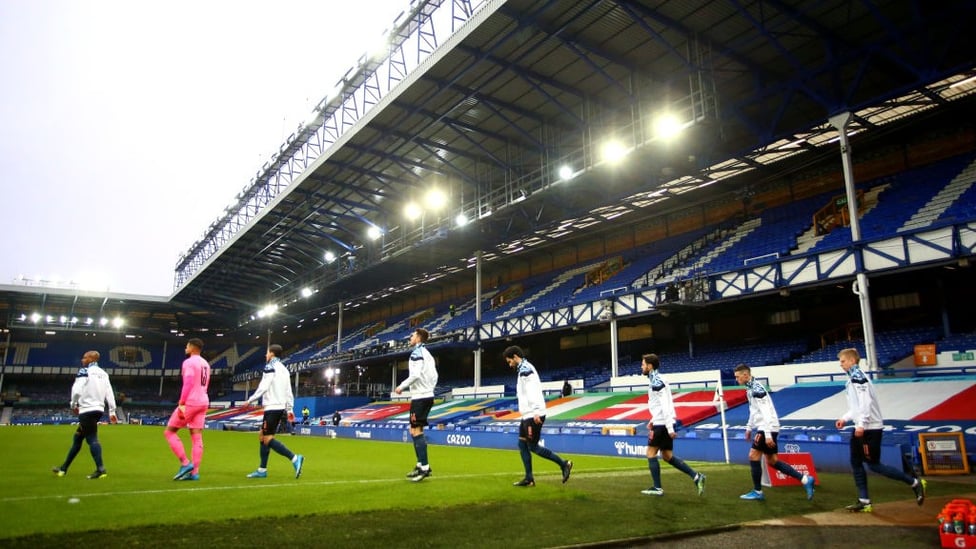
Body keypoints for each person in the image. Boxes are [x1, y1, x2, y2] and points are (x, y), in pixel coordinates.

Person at [835, 347, 926, 512]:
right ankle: (864, 500)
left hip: (870, 429)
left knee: (874, 465)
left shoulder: (858, 378)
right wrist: (844, 418)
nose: (840, 365)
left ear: (852, 361)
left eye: (842, 361)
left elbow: (866, 404)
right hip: (861, 427)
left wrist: (861, 425)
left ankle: (914, 482)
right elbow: (856, 406)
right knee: (855, 462)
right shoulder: (852, 379)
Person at [734, 364, 816, 501]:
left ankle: (758, 492)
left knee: (753, 455)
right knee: (772, 460)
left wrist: (767, 434)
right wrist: (748, 428)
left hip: (767, 427)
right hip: (768, 427)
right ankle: (805, 479)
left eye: (737, 377)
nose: (736, 380)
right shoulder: (750, 389)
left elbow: (766, 412)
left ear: (745, 375)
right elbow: (754, 411)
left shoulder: (757, 388)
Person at [503, 345, 573, 487]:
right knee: (522, 444)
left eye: (510, 361)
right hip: (527, 415)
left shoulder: (525, 370)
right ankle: (529, 478)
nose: (510, 365)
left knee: (533, 447)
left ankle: (564, 464)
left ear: (515, 357)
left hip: (533, 414)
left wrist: (536, 411)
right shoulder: (523, 369)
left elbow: (532, 390)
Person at [639, 353, 705, 496]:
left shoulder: (656, 380)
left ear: (650, 366)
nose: (641, 367)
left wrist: (668, 427)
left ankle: (657, 488)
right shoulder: (657, 379)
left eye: (643, 364)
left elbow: (665, 404)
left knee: (650, 453)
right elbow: (662, 404)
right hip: (661, 422)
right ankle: (696, 476)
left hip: (662, 424)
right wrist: (652, 420)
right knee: (667, 456)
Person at [52, 350, 118, 479]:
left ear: (92, 359)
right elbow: (109, 392)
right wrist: (112, 411)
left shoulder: (84, 371)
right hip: (98, 410)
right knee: (77, 439)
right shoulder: (104, 374)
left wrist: (73, 404)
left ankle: (101, 469)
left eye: (85, 357)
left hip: (86, 410)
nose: (82, 360)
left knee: (92, 439)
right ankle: (63, 468)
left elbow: (76, 390)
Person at [243, 344, 305, 479]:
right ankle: (262, 470)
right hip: (280, 407)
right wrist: (290, 408)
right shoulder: (284, 369)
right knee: (262, 436)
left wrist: (251, 399)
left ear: (271, 354)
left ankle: (295, 458)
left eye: (267, 353)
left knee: (267, 438)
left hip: (272, 407)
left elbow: (264, 386)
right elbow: (289, 391)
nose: (266, 355)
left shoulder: (270, 366)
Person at [395, 328, 439, 482]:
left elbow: (415, 375)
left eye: (412, 335)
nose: (410, 337)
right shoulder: (428, 354)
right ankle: (420, 464)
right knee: (414, 429)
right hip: (427, 395)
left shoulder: (417, 353)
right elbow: (435, 376)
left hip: (420, 397)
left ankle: (425, 467)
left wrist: (401, 386)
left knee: (416, 430)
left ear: (419, 337)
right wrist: (429, 389)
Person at [166, 338, 211, 481]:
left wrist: (182, 402)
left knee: (170, 432)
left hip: (191, 401)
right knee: (196, 436)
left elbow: (189, 383)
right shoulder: (206, 364)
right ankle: (195, 473)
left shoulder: (189, 362)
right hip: (203, 401)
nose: (185, 348)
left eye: (187, 346)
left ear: (192, 347)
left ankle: (185, 463)